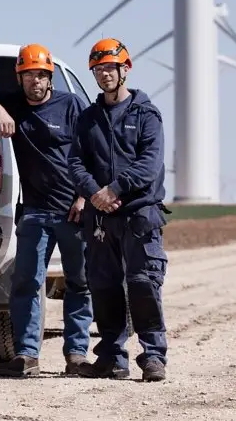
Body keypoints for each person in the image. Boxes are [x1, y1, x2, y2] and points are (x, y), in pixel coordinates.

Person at [0, 43, 93, 378]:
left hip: (73, 212)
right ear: (20, 78)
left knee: (79, 283)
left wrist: (84, 197)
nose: (35, 81)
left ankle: (76, 355)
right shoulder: (12, 103)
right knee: (27, 283)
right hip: (34, 213)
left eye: (41, 75)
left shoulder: (71, 105)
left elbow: (92, 152)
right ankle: (27, 354)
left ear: (51, 78)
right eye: (29, 75)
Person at [68, 38, 169, 382]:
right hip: (100, 218)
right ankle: (112, 357)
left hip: (139, 216)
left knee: (143, 284)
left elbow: (150, 165)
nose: (104, 74)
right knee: (104, 286)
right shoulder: (88, 118)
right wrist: (94, 192)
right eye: (98, 69)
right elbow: (76, 162)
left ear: (125, 69)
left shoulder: (147, 115)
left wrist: (115, 188)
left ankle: (153, 355)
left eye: (110, 67)